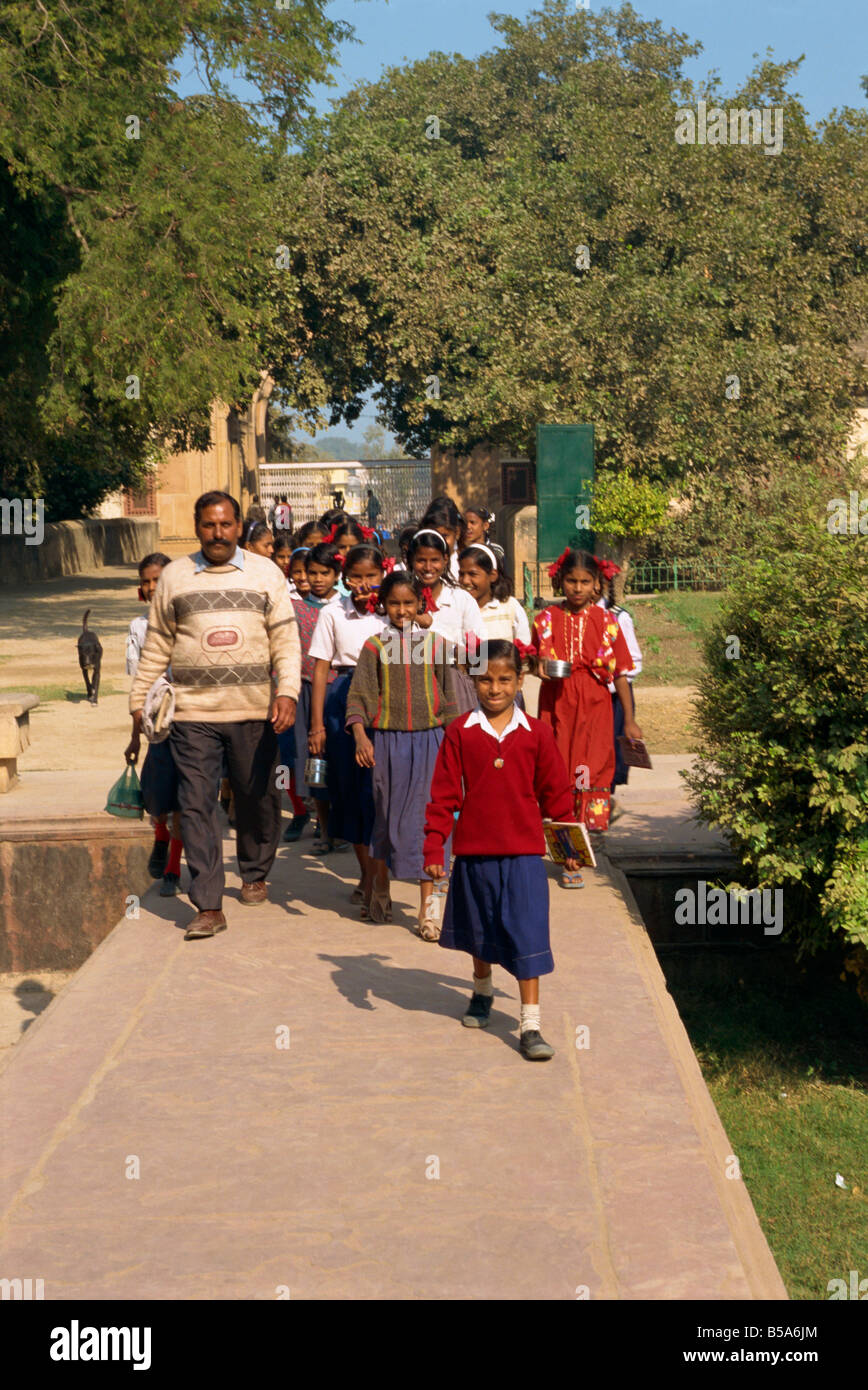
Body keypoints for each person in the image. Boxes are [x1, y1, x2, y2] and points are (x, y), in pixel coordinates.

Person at [129, 491, 300, 940]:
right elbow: (157, 645)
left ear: (239, 526)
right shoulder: (174, 577)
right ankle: (207, 904)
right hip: (192, 713)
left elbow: (286, 640)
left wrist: (288, 692)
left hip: (254, 710)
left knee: (257, 795)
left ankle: (255, 870)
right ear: (197, 526)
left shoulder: (266, 573)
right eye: (209, 525)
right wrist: (139, 699)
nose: (218, 533)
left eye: (226, 524)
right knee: (196, 802)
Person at [423, 639, 582, 1061]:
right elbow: (442, 797)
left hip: (525, 854)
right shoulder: (459, 733)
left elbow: (557, 794)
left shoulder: (537, 734)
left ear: (520, 680)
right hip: (474, 852)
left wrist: (567, 846)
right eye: (487, 680)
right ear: (474, 680)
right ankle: (482, 990)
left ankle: (530, 1024)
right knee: (479, 929)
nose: (495, 689)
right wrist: (434, 849)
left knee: (527, 930)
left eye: (505, 679)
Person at [346, 569, 458, 931]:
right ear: (383, 606)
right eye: (394, 603)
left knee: (430, 823)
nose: (402, 610)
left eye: (409, 602)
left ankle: (430, 906)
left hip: (431, 743)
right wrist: (362, 737)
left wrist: (456, 745)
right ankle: (380, 887)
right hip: (388, 745)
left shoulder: (436, 644)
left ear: (420, 605)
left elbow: (451, 698)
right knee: (387, 821)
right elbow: (360, 697)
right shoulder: (374, 647)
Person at [533, 548, 643, 861]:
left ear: (596, 583)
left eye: (584, 581)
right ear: (560, 581)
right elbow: (533, 662)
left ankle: (578, 849)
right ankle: (568, 852)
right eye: (571, 581)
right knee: (560, 770)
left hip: (595, 709)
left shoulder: (608, 623)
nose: (577, 588)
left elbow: (621, 674)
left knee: (591, 772)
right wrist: (537, 667)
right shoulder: (546, 621)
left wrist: (631, 719)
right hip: (558, 705)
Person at [307, 543, 386, 895]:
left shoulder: (391, 611)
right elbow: (321, 667)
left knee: (378, 791)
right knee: (350, 790)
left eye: (372, 576)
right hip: (343, 695)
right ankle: (366, 872)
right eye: (356, 576)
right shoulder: (332, 613)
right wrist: (317, 724)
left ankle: (378, 873)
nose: (364, 583)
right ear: (344, 577)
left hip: (385, 698)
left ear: (383, 575)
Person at [124, 552, 184, 897]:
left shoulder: (187, 620)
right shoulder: (139, 627)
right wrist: (135, 736)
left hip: (190, 719)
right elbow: (138, 687)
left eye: (157, 580)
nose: (151, 587)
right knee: (157, 794)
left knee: (183, 799)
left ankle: (174, 868)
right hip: (156, 725)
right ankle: (160, 835)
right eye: (146, 581)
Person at [284, 542, 343, 845]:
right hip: (305, 689)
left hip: (338, 690)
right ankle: (318, 819)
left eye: (324, 573)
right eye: (312, 573)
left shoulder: (346, 607)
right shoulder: (294, 608)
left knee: (339, 755)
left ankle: (340, 821)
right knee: (310, 756)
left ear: (336, 574)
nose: (317, 579)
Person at [408, 529, 484, 713]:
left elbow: (478, 656)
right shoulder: (401, 602)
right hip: (411, 691)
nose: (427, 567)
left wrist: (431, 628)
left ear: (445, 560)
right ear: (411, 561)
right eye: (421, 560)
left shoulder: (462, 600)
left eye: (434, 560)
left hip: (455, 689)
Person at [596, 564, 643, 822]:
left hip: (613, 697)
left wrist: (608, 683)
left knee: (609, 755)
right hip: (584, 698)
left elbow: (632, 661)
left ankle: (603, 807)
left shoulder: (617, 617)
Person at [458, 544, 531, 645]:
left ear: (492, 576)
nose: (465, 581)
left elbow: (524, 649)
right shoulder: (454, 609)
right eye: (461, 574)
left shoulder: (510, 607)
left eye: (472, 574)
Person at [419, 497, 463, 581]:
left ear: (457, 533)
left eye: (444, 535)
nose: (439, 540)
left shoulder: (463, 568)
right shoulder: (419, 569)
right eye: (433, 535)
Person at [462, 505, 506, 569]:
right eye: (466, 523)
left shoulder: (496, 551)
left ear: (485, 526)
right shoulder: (462, 551)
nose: (468, 526)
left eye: (472, 522)